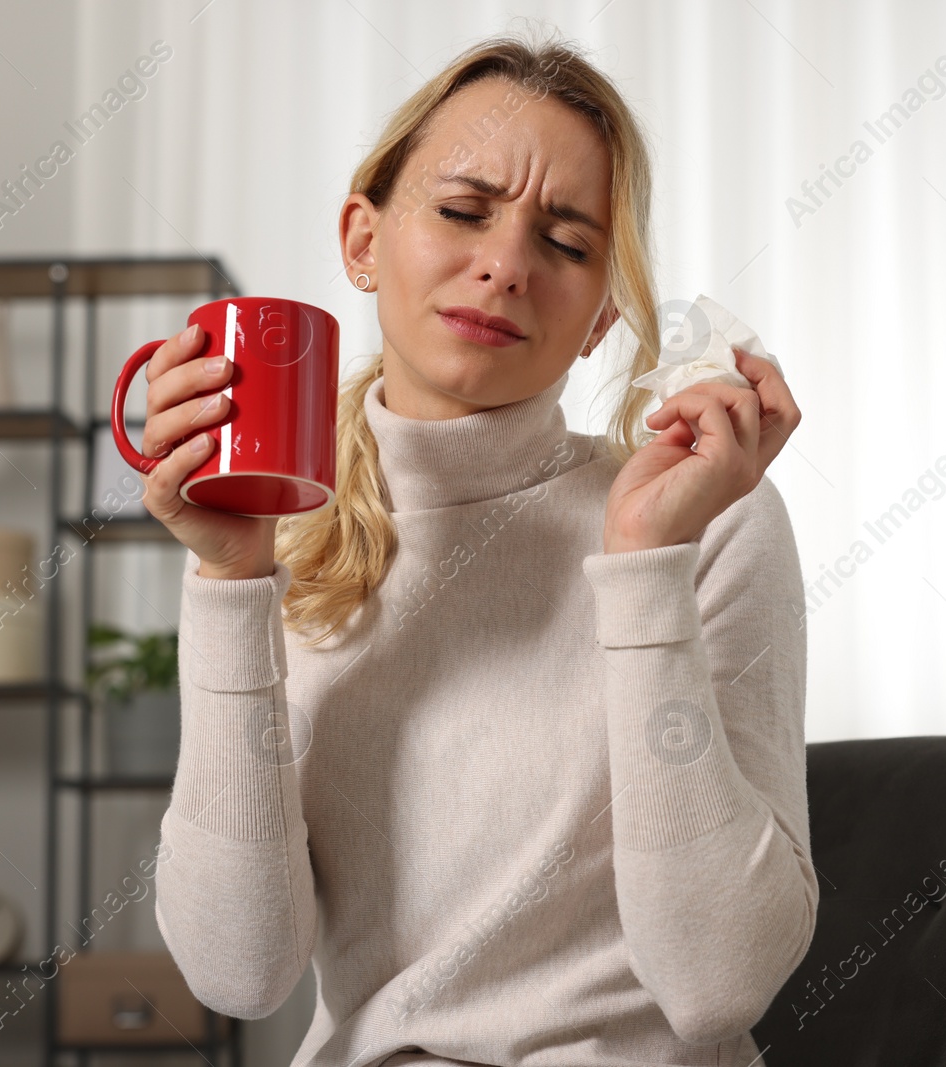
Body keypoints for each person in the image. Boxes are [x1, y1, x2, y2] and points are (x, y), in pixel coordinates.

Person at [141, 26, 812, 1067]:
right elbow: (240, 970)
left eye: (566, 243)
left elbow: (717, 978)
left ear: (597, 320)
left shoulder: (698, 521)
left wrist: (640, 568)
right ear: (361, 240)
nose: (504, 265)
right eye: (461, 211)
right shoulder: (279, 539)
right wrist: (229, 580)